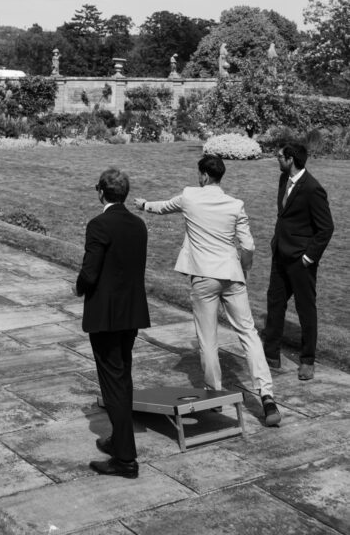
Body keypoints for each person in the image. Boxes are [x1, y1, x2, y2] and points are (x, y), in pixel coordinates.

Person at [134, 154, 281, 427]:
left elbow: (163, 207)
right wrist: (244, 269)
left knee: (208, 339)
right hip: (232, 275)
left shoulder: (190, 196)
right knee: (248, 333)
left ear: (203, 175)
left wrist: (143, 204)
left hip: (204, 277)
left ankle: (215, 395)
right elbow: (248, 246)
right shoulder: (235, 205)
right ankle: (267, 395)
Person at [76, 168, 150, 478]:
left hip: (106, 315)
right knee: (122, 378)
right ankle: (119, 440)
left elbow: (90, 272)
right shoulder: (138, 224)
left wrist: (78, 287)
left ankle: (125, 459)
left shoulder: (99, 225)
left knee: (113, 384)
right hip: (130, 313)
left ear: (101, 192)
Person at [261, 142, 334, 381]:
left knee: (305, 309)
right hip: (280, 255)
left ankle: (307, 360)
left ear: (290, 159)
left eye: (280, 156)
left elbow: (326, 228)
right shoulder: (284, 179)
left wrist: (308, 257)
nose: (277, 158)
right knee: (275, 303)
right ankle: (271, 354)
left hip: (301, 261)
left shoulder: (313, 189)